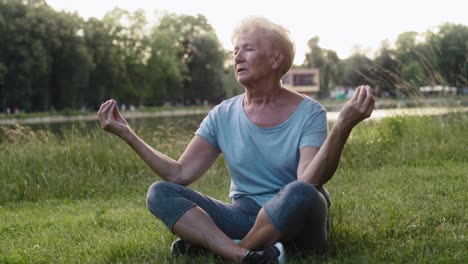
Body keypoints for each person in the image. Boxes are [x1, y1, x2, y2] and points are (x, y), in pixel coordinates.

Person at [97, 17, 374, 264]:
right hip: (244, 216)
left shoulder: (310, 112)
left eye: (248, 49)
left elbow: (310, 179)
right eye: (235, 51)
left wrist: (342, 127)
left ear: (276, 59)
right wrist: (127, 134)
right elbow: (179, 173)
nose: (237, 57)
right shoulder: (222, 114)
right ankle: (244, 256)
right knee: (160, 192)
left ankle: (224, 248)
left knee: (300, 190)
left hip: (298, 218)